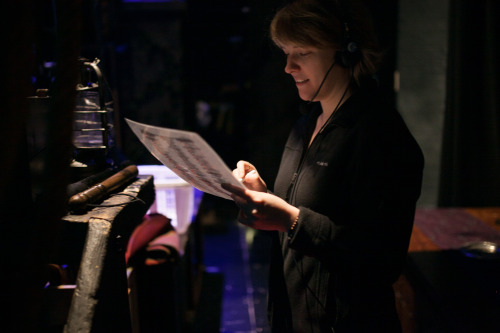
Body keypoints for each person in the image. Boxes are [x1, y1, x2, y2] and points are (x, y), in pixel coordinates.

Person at [221, 0, 424, 332]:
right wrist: (263, 196)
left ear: (346, 51)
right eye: (286, 52)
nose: (288, 67)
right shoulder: (306, 123)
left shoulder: (381, 135)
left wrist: (289, 219)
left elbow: (381, 258)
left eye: (301, 53)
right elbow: (311, 212)